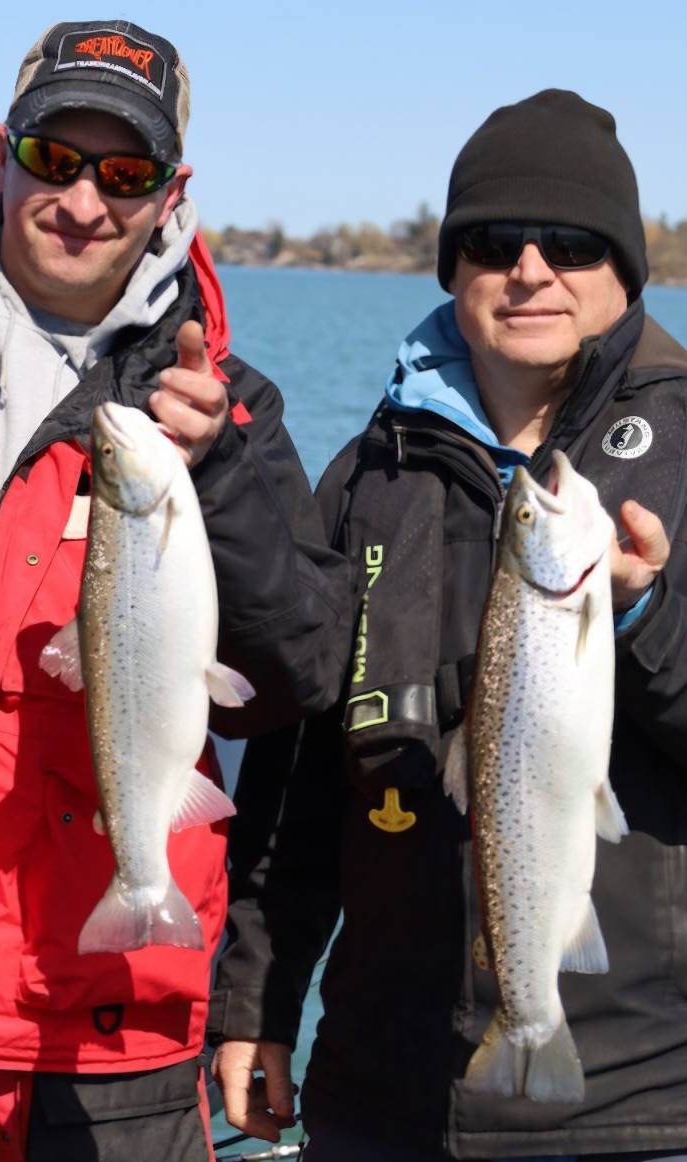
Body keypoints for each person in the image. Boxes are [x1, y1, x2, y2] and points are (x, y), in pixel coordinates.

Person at [209, 90, 687, 1162]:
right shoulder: (365, 475)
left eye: (569, 244)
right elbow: (297, 773)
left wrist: (643, 615)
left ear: (622, 271)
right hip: (384, 1092)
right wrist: (258, 1000)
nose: (529, 270)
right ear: (453, 270)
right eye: (492, 242)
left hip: (641, 1099)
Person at [0, 19, 351, 1162]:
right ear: (1, 150)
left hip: (105, 1049)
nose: (82, 201)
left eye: (124, 173)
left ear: (170, 193)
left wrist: (221, 469)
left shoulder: (222, 401)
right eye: (54, 158)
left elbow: (295, 675)